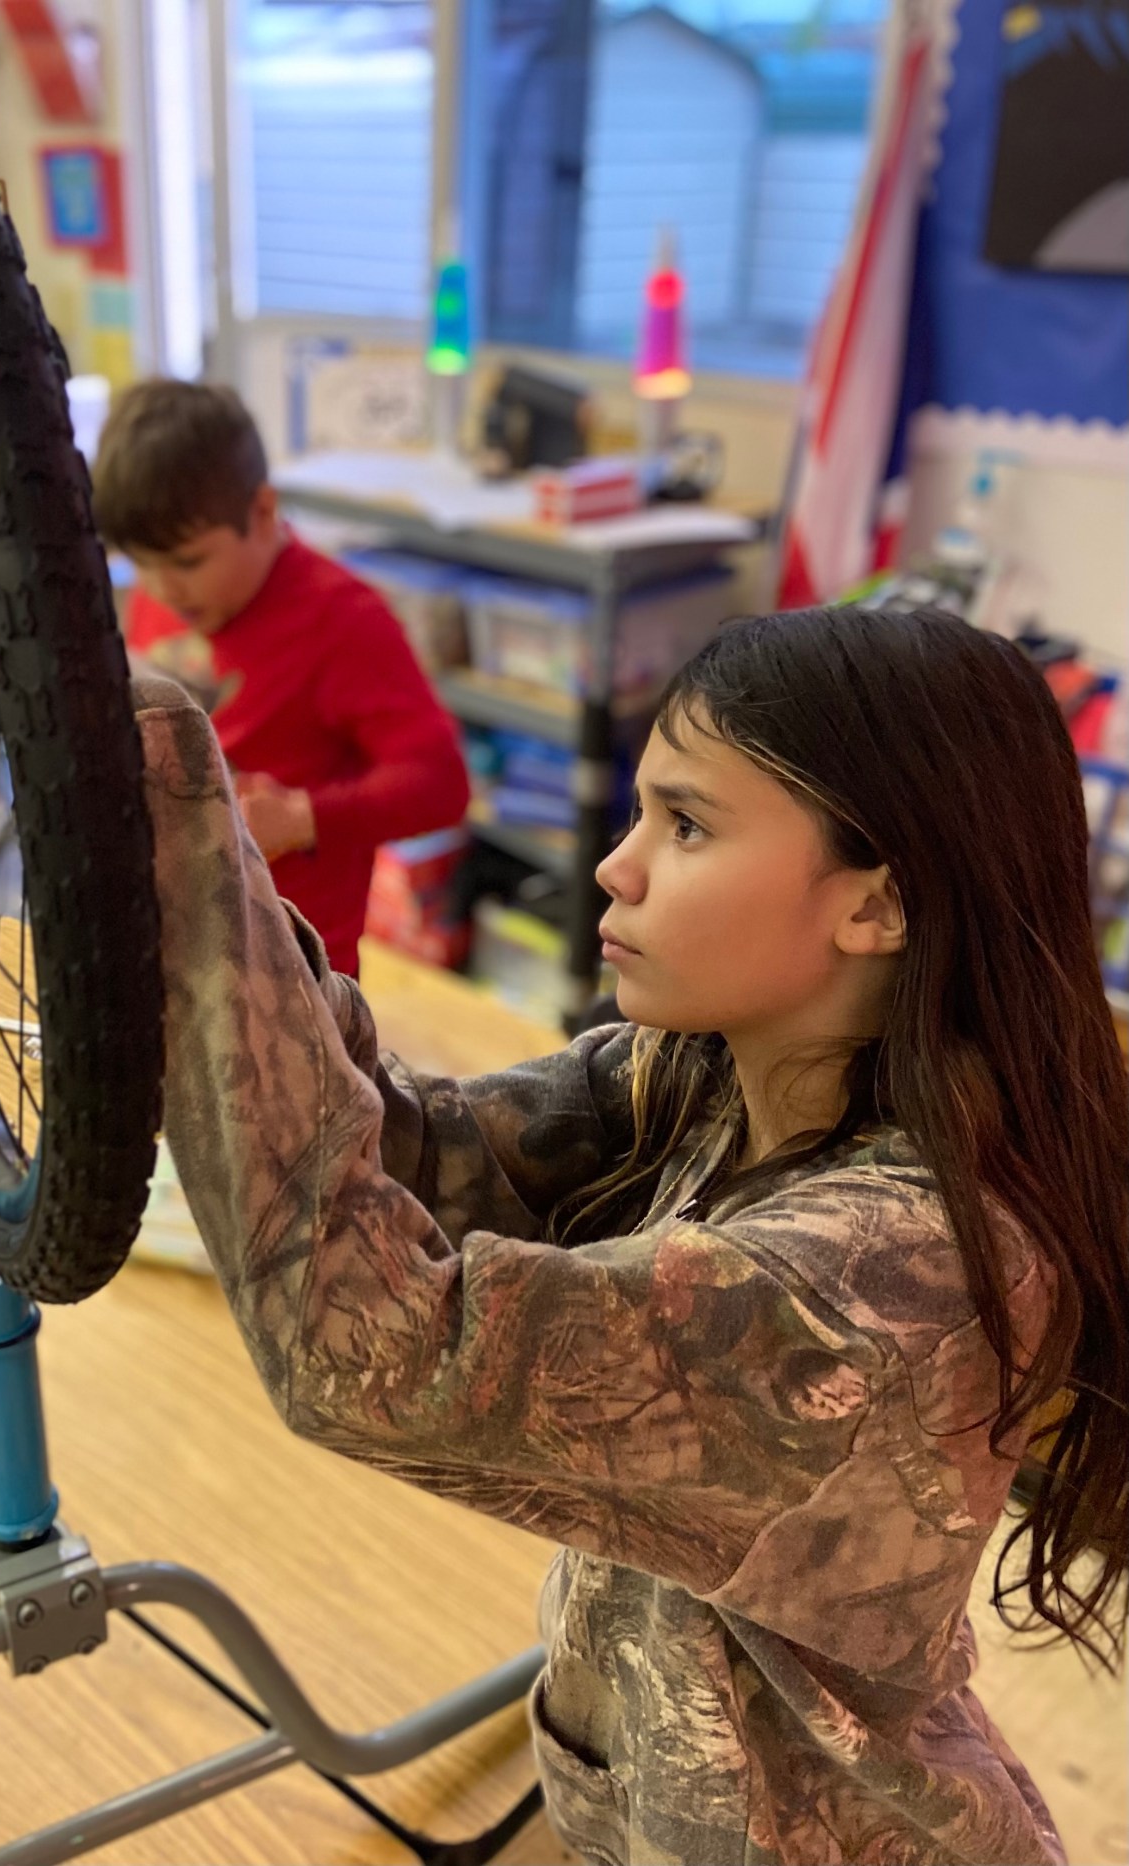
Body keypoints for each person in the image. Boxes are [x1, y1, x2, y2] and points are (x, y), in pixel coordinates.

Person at [131, 603, 1128, 1866]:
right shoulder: (706, 1077)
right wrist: (200, 876)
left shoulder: (878, 1282)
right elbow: (422, 1153)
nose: (617, 865)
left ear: (877, 905)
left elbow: (372, 1352)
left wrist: (181, 848)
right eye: (642, 815)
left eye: (686, 825)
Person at [92, 381, 470, 977]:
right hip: (176, 940)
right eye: (144, 564)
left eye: (188, 562)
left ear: (263, 512)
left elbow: (441, 783)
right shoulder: (168, 593)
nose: (164, 588)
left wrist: (301, 818)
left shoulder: (343, 620)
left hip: (290, 974)